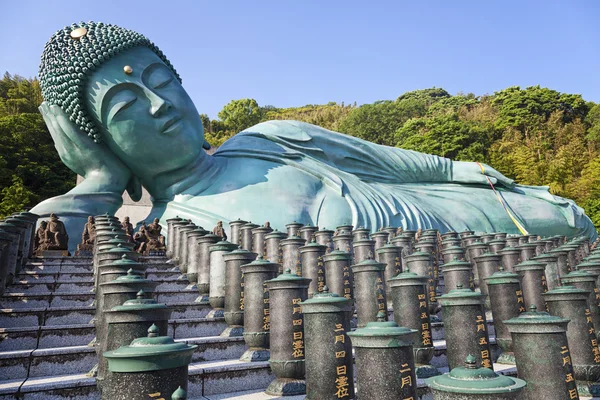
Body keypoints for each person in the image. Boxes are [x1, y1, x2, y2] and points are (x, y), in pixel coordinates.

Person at [30, 22, 597, 248]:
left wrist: (454, 169)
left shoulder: (270, 137)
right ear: (96, 137)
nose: (160, 106)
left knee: (569, 217)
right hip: (416, 286)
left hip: (446, 216)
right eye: (125, 103)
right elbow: (51, 246)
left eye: (163, 81)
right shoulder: (160, 231)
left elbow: (385, 161)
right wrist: (98, 177)